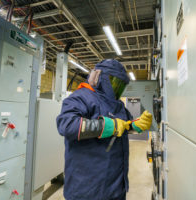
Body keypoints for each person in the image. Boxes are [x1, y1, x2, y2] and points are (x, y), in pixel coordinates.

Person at [56, 59, 152, 200]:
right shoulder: (81, 97)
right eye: (113, 82)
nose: (116, 88)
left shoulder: (118, 105)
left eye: (120, 85)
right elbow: (67, 125)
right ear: (99, 77)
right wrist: (106, 126)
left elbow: (122, 126)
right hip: (87, 191)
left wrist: (134, 126)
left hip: (116, 187)